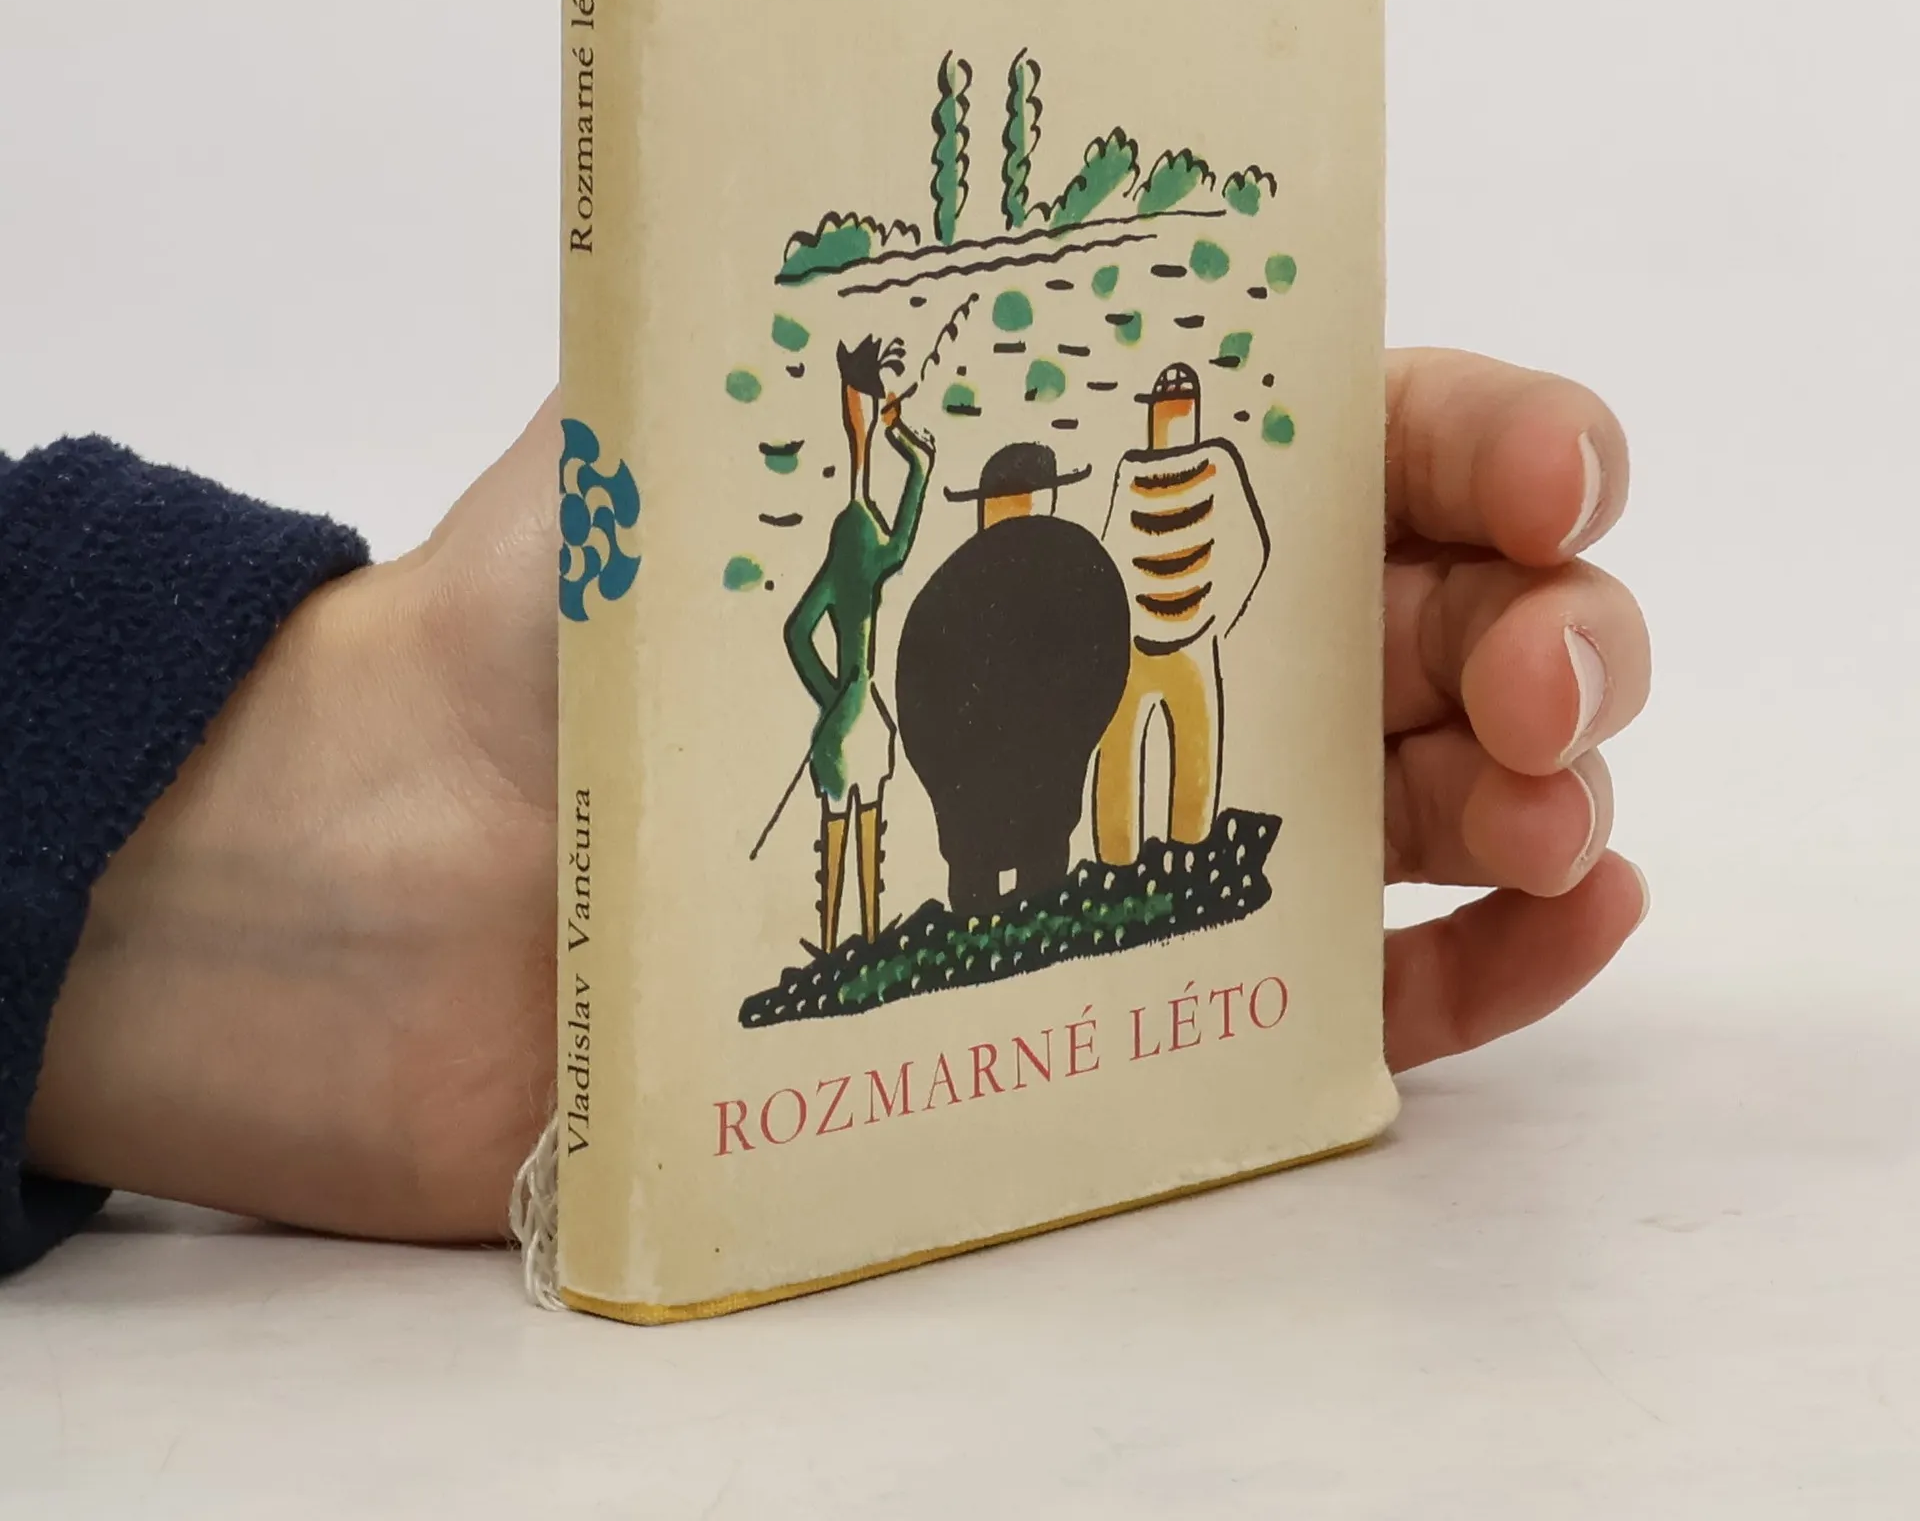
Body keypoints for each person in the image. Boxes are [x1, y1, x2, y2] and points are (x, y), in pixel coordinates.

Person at [0, 349, 1652, 1280]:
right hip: (896, 725)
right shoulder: (943, 566)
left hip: (1101, 679)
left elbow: (1032, 566)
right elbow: (857, 605)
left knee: (1117, 794)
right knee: (913, 842)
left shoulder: (1088, 530)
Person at [895, 442, 1130, 917]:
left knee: (976, 892)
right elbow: (1108, 656)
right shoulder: (1076, 557)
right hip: (1039, 783)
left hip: (971, 792)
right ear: (1048, 497)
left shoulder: (948, 585)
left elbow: (916, 689)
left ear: (983, 506)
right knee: (1041, 883)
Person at [781, 336, 936, 950]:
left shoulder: (848, 528)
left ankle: (835, 941)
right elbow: (898, 547)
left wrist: (829, 697)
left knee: (839, 826)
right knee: (865, 821)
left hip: (843, 710)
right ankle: (866, 939)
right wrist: (913, 454)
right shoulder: (859, 533)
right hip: (861, 709)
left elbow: (799, 630)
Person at [1091, 362, 1271, 864]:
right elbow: (1111, 550)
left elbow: (1250, 547)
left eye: (1178, 407)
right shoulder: (1132, 472)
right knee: (1118, 758)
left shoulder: (1216, 463)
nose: (1171, 416)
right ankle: (1116, 866)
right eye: (1166, 407)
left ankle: (1188, 862)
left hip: (1192, 642)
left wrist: (1216, 619)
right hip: (1133, 647)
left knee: (1194, 759)